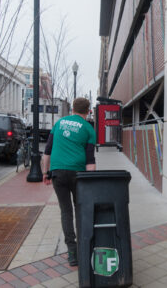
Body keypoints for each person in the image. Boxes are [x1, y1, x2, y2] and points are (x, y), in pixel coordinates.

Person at [43, 97, 96, 266]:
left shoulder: (59, 123)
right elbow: (90, 160)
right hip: (78, 173)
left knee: (66, 212)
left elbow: (47, 151)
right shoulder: (88, 128)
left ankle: (72, 253)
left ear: (72, 109)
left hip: (58, 172)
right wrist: (91, 182)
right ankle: (83, 246)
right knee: (80, 209)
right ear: (88, 111)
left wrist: (46, 172)